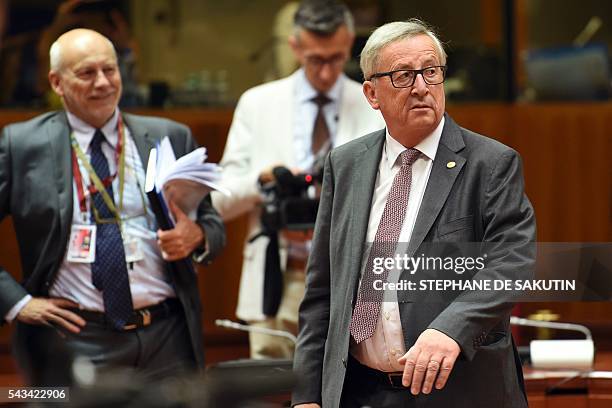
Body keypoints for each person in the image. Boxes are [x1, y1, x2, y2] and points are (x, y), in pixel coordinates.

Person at [292, 19, 536, 408]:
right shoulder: (346, 164)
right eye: (404, 76)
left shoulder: (490, 163)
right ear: (372, 93)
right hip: (361, 391)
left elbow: (512, 263)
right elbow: (323, 289)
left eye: (431, 72)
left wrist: (451, 330)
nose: (422, 87)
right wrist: (306, 395)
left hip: (457, 392)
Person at [0, 28, 225, 384]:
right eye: (87, 73)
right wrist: (17, 302)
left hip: (167, 336)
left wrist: (195, 235)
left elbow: (211, 222)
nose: (103, 83)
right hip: (75, 339)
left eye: (110, 70)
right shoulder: (22, 145)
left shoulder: (170, 135)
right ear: (57, 83)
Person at [211, 0, 384, 360]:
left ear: (350, 43)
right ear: (295, 47)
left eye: (335, 59)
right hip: (279, 280)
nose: (325, 73)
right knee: (270, 395)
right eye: (315, 60)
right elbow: (218, 200)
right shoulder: (257, 104)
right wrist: (263, 184)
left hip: (352, 280)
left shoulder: (375, 104)